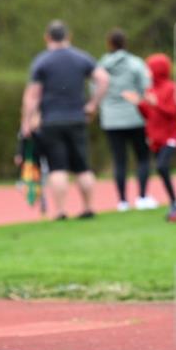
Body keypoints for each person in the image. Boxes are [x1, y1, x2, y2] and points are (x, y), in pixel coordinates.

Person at [21, 20, 109, 220]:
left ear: (47, 38)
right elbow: (103, 79)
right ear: (68, 36)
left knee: (57, 167)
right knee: (82, 167)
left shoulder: (42, 62)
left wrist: (26, 122)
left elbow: (32, 96)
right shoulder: (81, 58)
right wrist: (93, 104)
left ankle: (60, 211)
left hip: (51, 120)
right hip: (77, 118)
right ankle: (88, 208)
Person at [97, 29, 156, 211]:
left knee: (119, 160)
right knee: (143, 158)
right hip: (136, 117)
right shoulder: (136, 63)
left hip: (111, 119)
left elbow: (95, 89)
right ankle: (143, 197)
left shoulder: (101, 65)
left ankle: (122, 201)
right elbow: (147, 87)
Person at [123, 53, 176, 222]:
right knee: (162, 170)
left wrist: (155, 103)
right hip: (155, 138)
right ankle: (174, 203)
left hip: (170, 137)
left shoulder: (171, 88)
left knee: (162, 167)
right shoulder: (150, 90)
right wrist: (139, 103)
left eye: (149, 69)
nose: (147, 73)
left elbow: (173, 113)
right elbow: (148, 115)